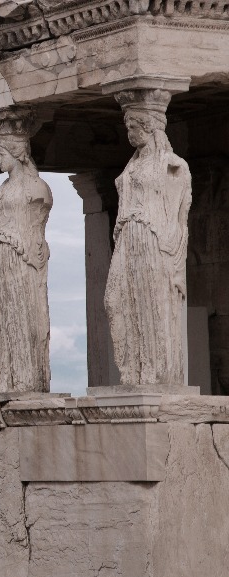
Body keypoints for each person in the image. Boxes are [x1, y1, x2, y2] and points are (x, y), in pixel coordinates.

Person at [106, 105, 191, 385]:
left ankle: (157, 374)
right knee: (114, 300)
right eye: (128, 127)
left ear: (150, 127)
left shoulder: (173, 166)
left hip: (152, 239)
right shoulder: (131, 165)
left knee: (154, 303)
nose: (129, 133)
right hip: (127, 237)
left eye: (133, 127)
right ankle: (132, 370)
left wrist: (173, 248)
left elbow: (180, 213)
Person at [0, 133, 53, 392]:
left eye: (2, 154)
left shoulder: (37, 188)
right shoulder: (2, 188)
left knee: (19, 319)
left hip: (20, 258)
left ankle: (22, 382)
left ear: (18, 153)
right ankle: (2, 379)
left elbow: (37, 229)